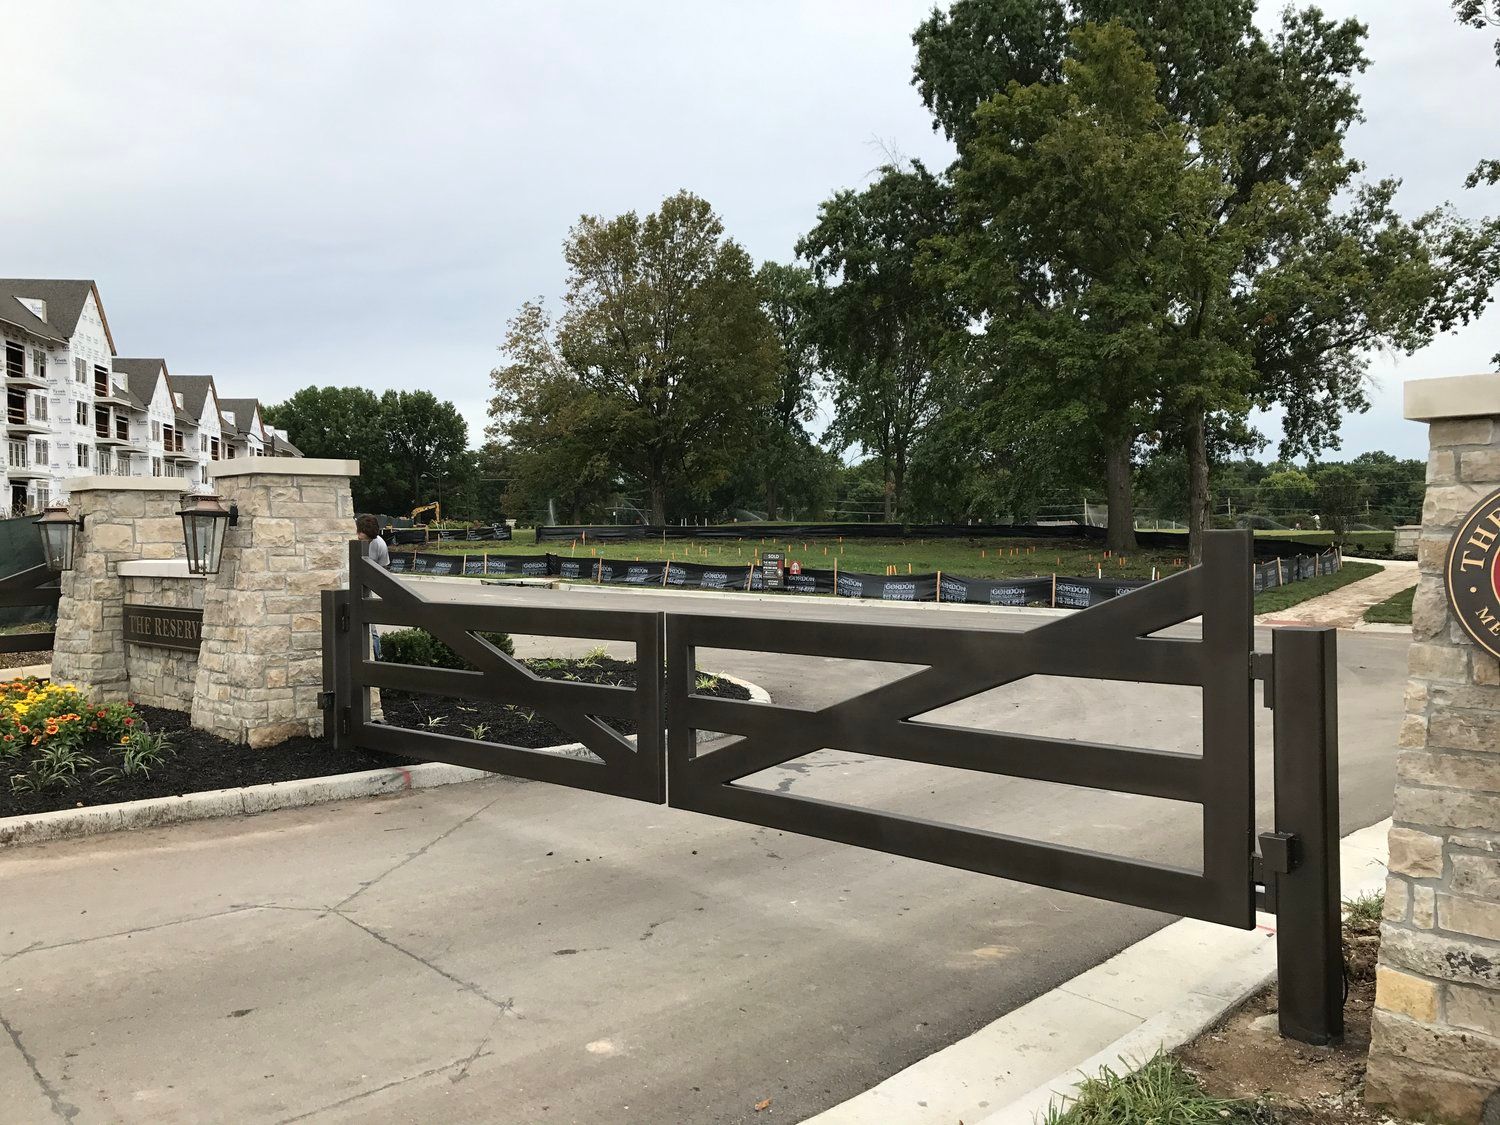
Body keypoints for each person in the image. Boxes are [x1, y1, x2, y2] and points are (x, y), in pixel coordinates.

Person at [355, 515, 388, 661]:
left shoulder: (380, 545)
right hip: (349, 584)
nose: (366, 543)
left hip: (366, 588)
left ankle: (378, 661)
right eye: (363, 540)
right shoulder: (349, 540)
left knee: (371, 630)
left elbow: (382, 574)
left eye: (370, 540)